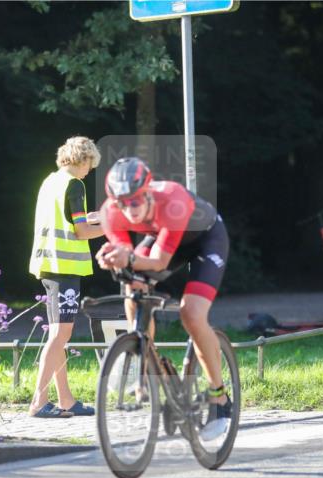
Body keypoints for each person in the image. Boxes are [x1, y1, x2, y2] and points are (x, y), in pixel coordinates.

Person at [95, 157, 232, 439]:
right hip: (164, 237)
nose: (129, 209)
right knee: (132, 286)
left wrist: (129, 257)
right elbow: (126, 253)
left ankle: (219, 398)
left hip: (205, 240)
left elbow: (158, 261)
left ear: (147, 193)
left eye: (134, 201)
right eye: (122, 203)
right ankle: (144, 360)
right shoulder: (111, 211)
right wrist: (114, 259)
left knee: (191, 314)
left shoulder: (172, 198)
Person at [27, 137, 105, 418]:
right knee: (61, 334)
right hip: (65, 266)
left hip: (48, 263)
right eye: (90, 164)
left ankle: (66, 400)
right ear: (82, 159)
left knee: (58, 334)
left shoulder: (51, 181)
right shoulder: (75, 184)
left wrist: (90, 217)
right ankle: (39, 401)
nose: (90, 170)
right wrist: (110, 227)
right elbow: (81, 232)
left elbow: (69, 219)